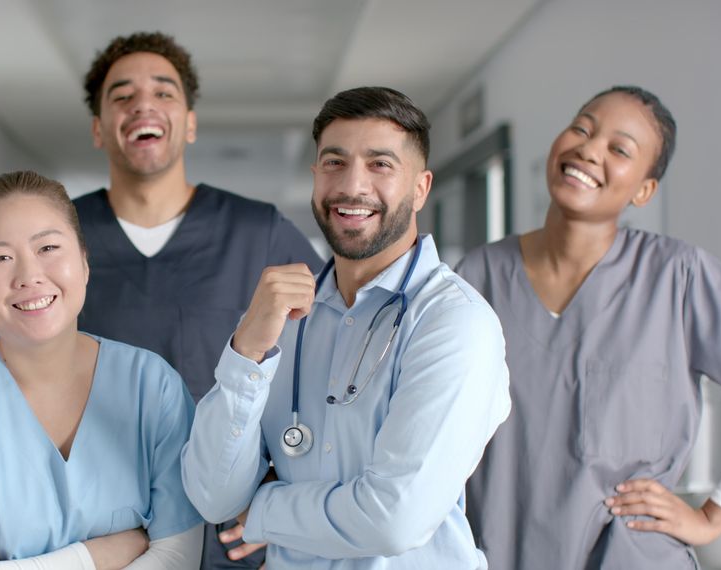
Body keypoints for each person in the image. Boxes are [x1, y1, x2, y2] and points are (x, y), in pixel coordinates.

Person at [0, 31, 322, 568]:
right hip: (84, 539)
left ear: (189, 121)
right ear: (99, 128)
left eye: (164, 92)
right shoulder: (51, 234)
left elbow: (335, 370)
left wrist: (288, 499)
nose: (143, 104)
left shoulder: (256, 232)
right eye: (121, 95)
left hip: (225, 537)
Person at [181, 86, 511, 568]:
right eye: (334, 162)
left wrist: (264, 510)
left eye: (380, 164)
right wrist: (246, 351)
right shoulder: (279, 322)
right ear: (316, 176)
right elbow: (212, 497)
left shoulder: (455, 322)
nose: (352, 186)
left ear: (421, 188)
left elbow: (394, 519)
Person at [457, 85, 721, 568]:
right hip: (494, 552)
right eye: (582, 127)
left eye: (619, 149)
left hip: (632, 556)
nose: (588, 149)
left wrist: (713, 516)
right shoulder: (477, 277)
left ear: (644, 190)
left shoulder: (679, 277)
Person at [0, 171, 204, 569]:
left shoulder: (153, 386)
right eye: (0, 258)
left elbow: (177, 560)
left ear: (83, 261)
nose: (28, 276)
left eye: (47, 247)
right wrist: (97, 556)